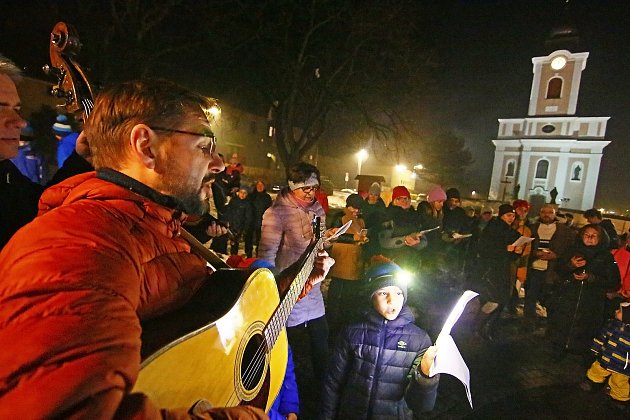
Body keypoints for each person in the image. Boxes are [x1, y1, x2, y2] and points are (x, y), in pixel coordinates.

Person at [0, 79, 336, 418]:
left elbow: (202, 317)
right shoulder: (80, 243)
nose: (218, 164)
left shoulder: (162, 227)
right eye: (204, 146)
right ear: (146, 146)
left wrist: (290, 284)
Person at [320, 260, 440, 419]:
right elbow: (333, 383)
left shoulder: (419, 340)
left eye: (398, 293)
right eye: (383, 293)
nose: (392, 300)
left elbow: (420, 405)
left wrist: (425, 377)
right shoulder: (352, 333)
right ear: (371, 297)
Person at [258, 161, 332, 406]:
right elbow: (267, 256)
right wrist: (269, 292)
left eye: (314, 188)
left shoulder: (318, 211)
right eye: (305, 189)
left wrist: (326, 241)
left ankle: (322, 399)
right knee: (294, 354)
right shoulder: (276, 213)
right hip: (289, 293)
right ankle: (292, 402)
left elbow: (320, 243)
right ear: (292, 187)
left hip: (315, 293)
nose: (311, 194)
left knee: (322, 348)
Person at [0, 54, 92, 250]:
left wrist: (81, 159)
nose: (19, 121)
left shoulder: (5, 171)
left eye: (16, 108)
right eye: (1, 108)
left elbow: (42, 208)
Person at [548, 224, 621, 361]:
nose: (589, 238)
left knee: (586, 327)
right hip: (569, 296)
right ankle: (558, 349)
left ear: (601, 238)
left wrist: (591, 278)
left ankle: (582, 352)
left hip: (591, 300)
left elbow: (614, 281)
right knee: (563, 324)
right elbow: (558, 270)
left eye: (594, 236)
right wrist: (571, 266)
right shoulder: (572, 251)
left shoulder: (606, 257)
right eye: (586, 235)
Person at [472, 204, 523, 341]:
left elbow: (511, 252)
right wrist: (505, 249)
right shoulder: (493, 228)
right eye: (508, 215)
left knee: (501, 301)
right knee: (493, 300)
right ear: (501, 215)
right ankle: (478, 327)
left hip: (502, 270)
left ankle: (487, 328)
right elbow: (485, 249)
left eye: (513, 216)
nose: (511, 218)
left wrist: (517, 252)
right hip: (490, 271)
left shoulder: (509, 230)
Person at [523, 204, 576, 331]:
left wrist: (556, 255)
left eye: (550, 212)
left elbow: (570, 249)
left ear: (555, 214)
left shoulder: (565, 231)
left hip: (553, 270)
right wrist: (535, 253)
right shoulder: (532, 228)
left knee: (550, 298)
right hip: (534, 269)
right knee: (530, 297)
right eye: (543, 212)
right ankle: (528, 323)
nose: (546, 214)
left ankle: (551, 324)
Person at [327, 193, 369, 339]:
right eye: (354, 207)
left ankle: (345, 322)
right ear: (348, 205)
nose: (356, 211)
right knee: (337, 292)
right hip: (341, 261)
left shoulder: (360, 220)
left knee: (349, 296)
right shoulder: (340, 217)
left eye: (358, 208)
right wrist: (353, 239)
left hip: (354, 262)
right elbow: (334, 235)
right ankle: (333, 323)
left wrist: (362, 240)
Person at [580, 301, 630, 409]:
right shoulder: (611, 324)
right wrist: (595, 348)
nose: (616, 311)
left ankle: (619, 399)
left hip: (622, 364)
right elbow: (602, 336)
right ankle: (591, 382)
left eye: (620, 311)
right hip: (606, 356)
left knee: (619, 382)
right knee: (597, 369)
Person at [245, 179, 273, 258]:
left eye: (262, 185)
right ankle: (248, 255)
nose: (260, 187)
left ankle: (258, 255)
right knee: (248, 239)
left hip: (261, 222)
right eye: (258, 185)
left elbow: (269, 210)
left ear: (264, 187)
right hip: (250, 221)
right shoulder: (250, 196)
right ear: (256, 186)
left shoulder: (267, 197)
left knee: (260, 241)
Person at [224, 187, 254, 255]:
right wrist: (228, 223)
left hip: (242, 227)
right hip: (233, 226)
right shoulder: (234, 201)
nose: (242, 194)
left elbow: (248, 217)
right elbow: (229, 212)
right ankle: (233, 258)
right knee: (233, 245)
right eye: (241, 192)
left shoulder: (248, 203)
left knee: (246, 244)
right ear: (238, 193)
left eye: (244, 193)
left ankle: (248, 257)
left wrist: (245, 229)